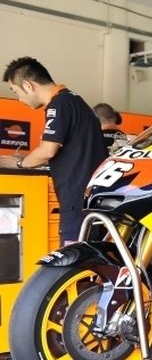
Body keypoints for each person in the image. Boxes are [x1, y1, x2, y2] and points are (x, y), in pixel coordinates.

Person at [1, 57, 107, 245]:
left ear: (28, 86)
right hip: (90, 201)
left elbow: (47, 151)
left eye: (16, 92)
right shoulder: (72, 100)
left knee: (73, 260)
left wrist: (19, 163)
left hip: (78, 204)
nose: (20, 100)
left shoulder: (60, 103)